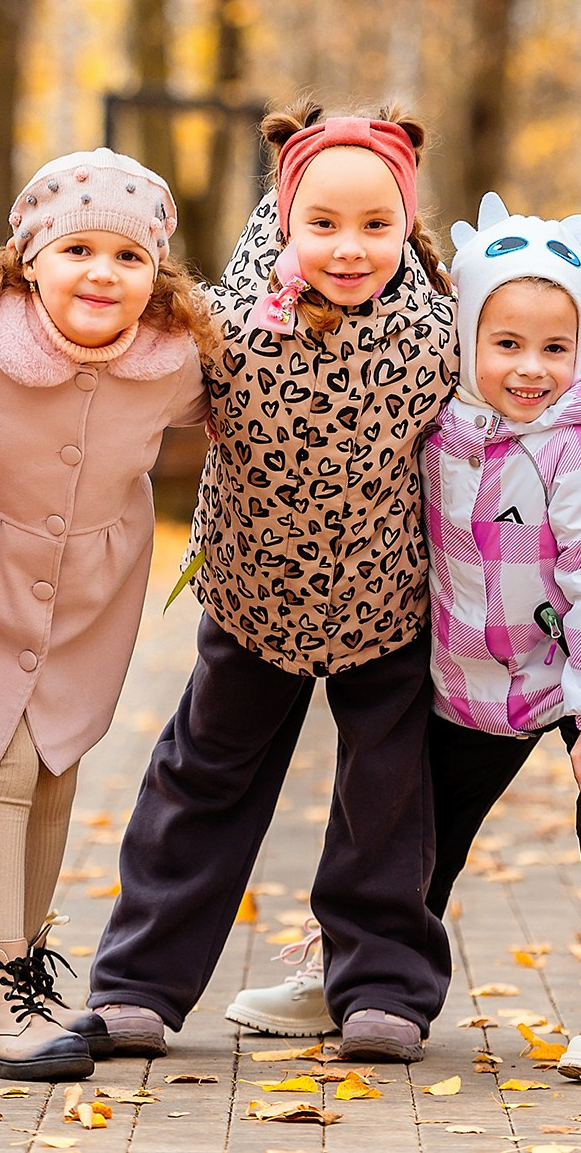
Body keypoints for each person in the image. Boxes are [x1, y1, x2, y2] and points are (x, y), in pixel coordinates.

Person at [227, 194, 581, 1086]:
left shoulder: (579, 453)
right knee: (402, 817)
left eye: (555, 348)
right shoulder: (439, 425)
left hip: (577, 672)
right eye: (508, 344)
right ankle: (350, 959)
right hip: (465, 668)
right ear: (466, 339)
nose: (531, 369)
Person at [85, 101, 459, 1064]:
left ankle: (380, 982)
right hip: (255, 591)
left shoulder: (439, 331)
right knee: (204, 775)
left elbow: (512, 407)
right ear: (284, 215)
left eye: (377, 226)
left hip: (389, 593)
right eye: (323, 223)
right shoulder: (227, 325)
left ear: (406, 221)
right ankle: (137, 982)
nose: (350, 247)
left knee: (388, 793)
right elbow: (133, 370)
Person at [0, 148, 212, 1081]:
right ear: (28, 257)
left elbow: (266, 407)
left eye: (128, 258)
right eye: (78, 248)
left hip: (90, 588)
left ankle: (30, 971)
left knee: (52, 761)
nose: (101, 273)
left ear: (154, 275)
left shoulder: (176, 363)